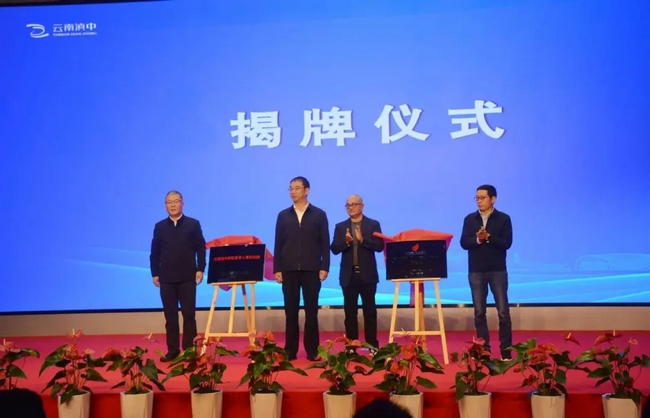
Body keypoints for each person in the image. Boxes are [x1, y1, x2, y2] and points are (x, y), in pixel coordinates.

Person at [274, 176, 330, 361]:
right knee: (290, 312)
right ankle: (290, 351)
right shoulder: (283, 215)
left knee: (311, 311)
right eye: (290, 188)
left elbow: (324, 243)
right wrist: (277, 268)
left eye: (297, 188)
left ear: (307, 190)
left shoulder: (319, 214)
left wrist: (324, 266)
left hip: (311, 269)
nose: (293, 191)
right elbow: (278, 243)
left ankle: (312, 350)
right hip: (289, 269)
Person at [150, 190, 206, 362]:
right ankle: (173, 350)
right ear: (165, 205)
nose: (173, 205)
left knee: (189, 315)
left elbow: (200, 248)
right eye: (169, 202)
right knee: (170, 316)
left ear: (183, 204)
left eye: (176, 201)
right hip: (166, 278)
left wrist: (200, 269)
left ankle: (189, 350)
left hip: (188, 277)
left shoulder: (192, 224)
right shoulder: (160, 227)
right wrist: (155, 273)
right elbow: (155, 252)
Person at [460, 184, 513, 359]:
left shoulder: (503, 219)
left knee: (503, 313)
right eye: (477, 198)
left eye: (482, 198)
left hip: (498, 270)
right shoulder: (470, 219)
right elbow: (464, 243)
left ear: (493, 199)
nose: (479, 201)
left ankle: (506, 352)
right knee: (479, 313)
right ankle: (484, 352)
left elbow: (506, 243)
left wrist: (489, 237)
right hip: (476, 271)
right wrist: (478, 239)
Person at [331, 195, 383, 351]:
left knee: (370, 313)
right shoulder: (341, 227)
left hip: (367, 276)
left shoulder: (372, 224)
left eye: (354, 204)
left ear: (362, 206)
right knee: (350, 314)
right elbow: (334, 249)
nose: (351, 207)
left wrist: (362, 240)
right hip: (349, 276)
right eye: (348, 205)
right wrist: (345, 242)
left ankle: (372, 347)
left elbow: (380, 246)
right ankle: (351, 347)